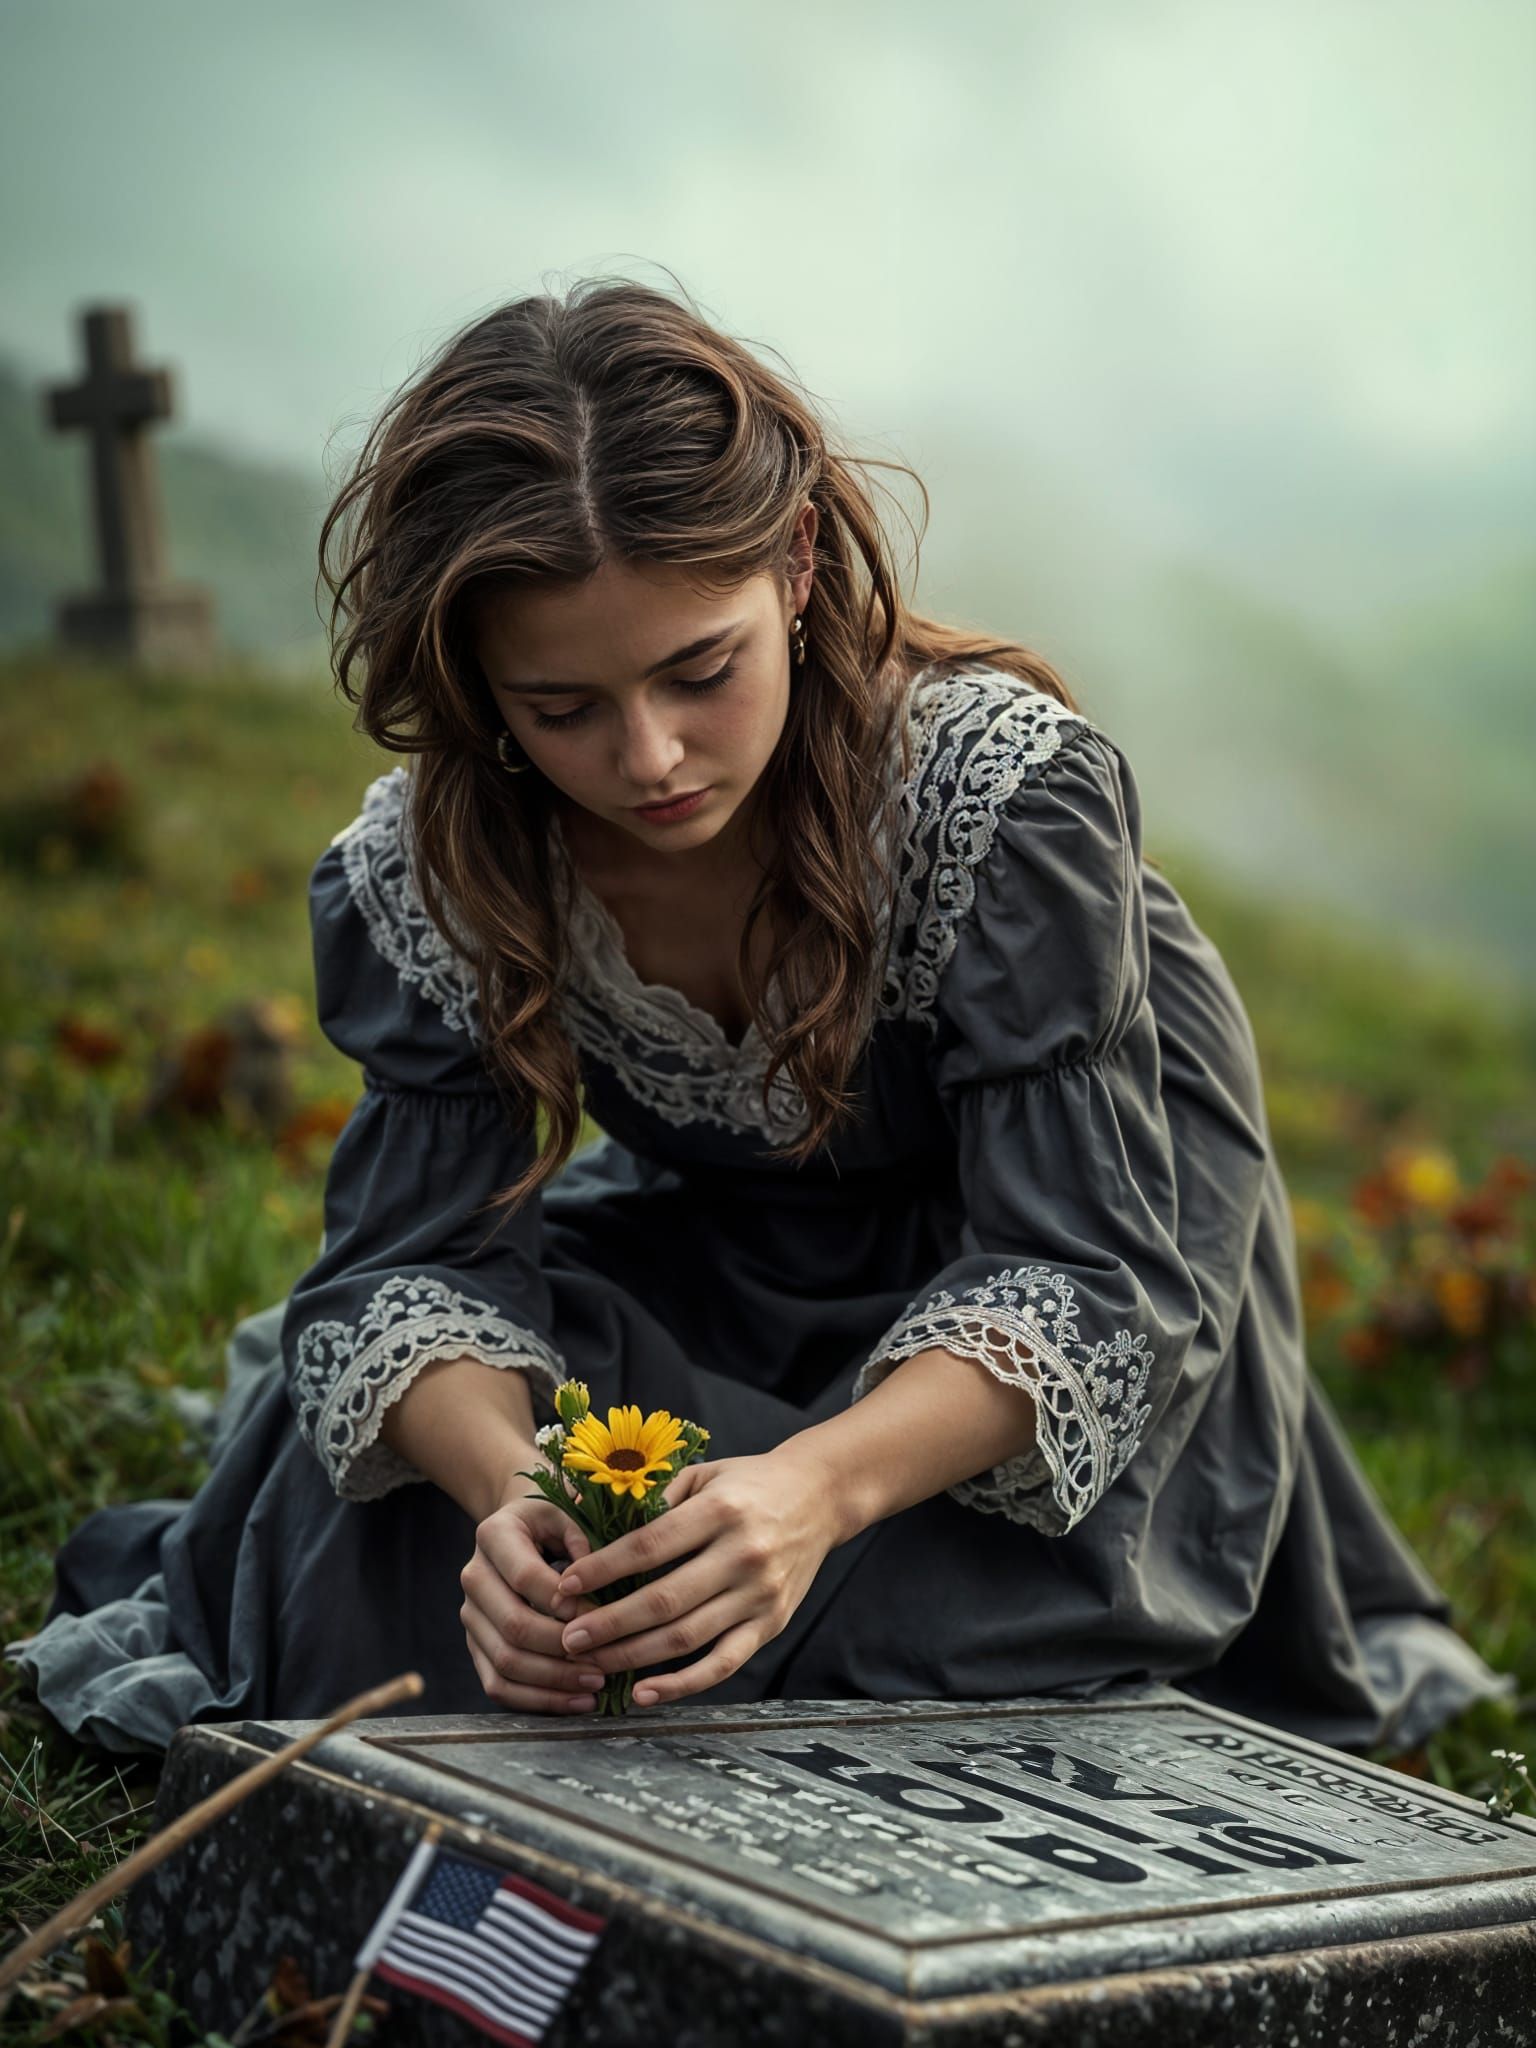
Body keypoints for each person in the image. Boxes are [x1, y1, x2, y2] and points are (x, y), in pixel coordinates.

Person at [6, 278, 1512, 1757]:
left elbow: (1091, 1273)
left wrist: (810, 1491)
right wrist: (515, 1498)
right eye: (561, 708)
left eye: (699, 671)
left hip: (1075, 1260)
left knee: (873, 1624)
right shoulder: (439, 865)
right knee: (403, 1567)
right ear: (481, 686)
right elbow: (415, 1261)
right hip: (738, 1231)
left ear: (793, 564)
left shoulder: (1001, 805)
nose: (648, 756)